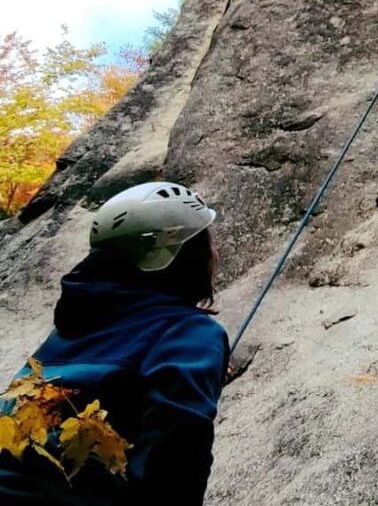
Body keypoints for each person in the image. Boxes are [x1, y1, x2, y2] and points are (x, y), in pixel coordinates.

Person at [0, 182, 228, 505]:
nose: (216, 254)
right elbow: (179, 459)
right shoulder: (190, 335)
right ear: (176, 255)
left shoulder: (69, 329)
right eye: (206, 242)